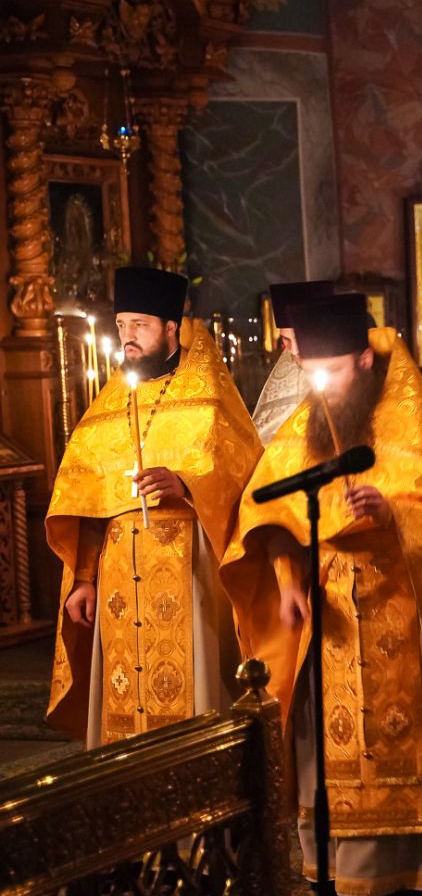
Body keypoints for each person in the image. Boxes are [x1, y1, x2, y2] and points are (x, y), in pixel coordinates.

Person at [220, 294, 422, 896]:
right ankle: (348, 865)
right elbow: (271, 517)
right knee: (333, 738)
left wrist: (393, 512)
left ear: (365, 361)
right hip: (333, 608)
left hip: (407, 604)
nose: (324, 385)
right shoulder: (304, 427)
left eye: (335, 371)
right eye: (315, 373)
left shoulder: (412, 420)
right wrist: (289, 584)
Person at [46, 266, 261, 746]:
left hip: (190, 571)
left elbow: (244, 476)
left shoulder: (209, 400)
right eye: (121, 325)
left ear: (170, 328)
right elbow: (87, 501)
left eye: (139, 325)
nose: (128, 337)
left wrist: (186, 484)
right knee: (124, 698)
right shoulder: (105, 408)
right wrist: (84, 579)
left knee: (192, 693)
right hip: (118, 578)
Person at [251, 279, 334, 443]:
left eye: (300, 338)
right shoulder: (286, 374)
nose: (294, 350)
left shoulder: (345, 372)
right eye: (286, 340)